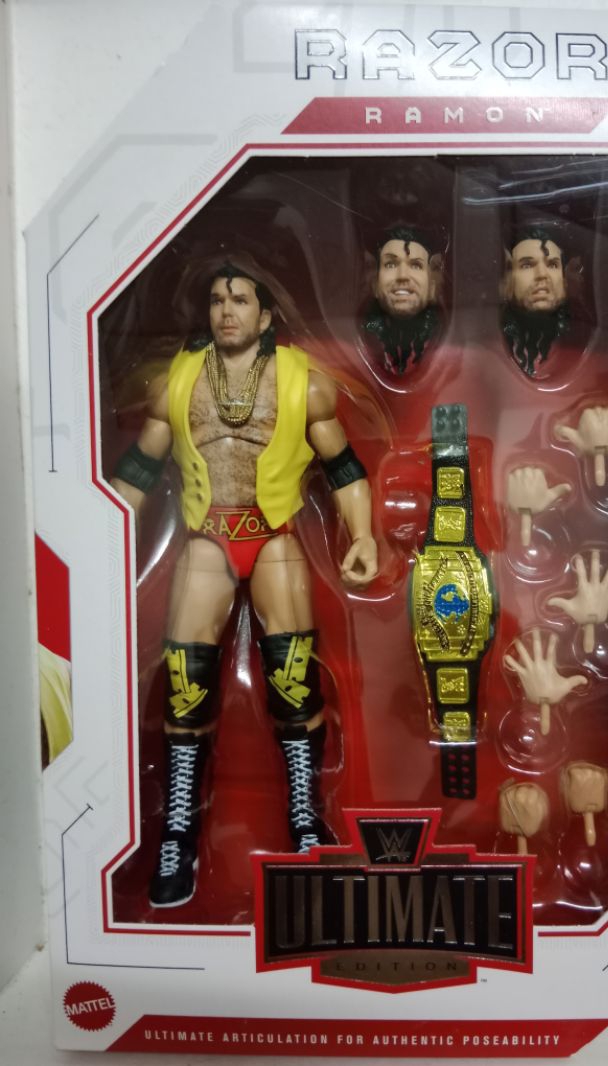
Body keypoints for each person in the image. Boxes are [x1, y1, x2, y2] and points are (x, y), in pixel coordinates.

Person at [110, 256, 378, 908]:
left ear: (265, 314)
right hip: (206, 538)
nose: (226, 310)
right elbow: (138, 471)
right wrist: (96, 538)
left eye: (239, 300)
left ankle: (306, 815)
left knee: (295, 680)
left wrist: (364, 534)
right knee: (186, 686)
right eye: (216, 300)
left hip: (276, 536)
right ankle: (177, 830)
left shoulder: (303, 383)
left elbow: (343, 467)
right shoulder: (176, 382)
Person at [361, 225, 444, 375]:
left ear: (432, 286)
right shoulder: (362, 338)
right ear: (375, 284)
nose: (402, 275)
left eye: (416, 265)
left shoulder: (446, 343)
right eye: (390, 264)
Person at [500, 225, 573, 377]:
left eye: (552, 265)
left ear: (565, 281)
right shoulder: (490, 341)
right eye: (527, 265)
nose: (542, 274)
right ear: (507, 280)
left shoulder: (583, 340)